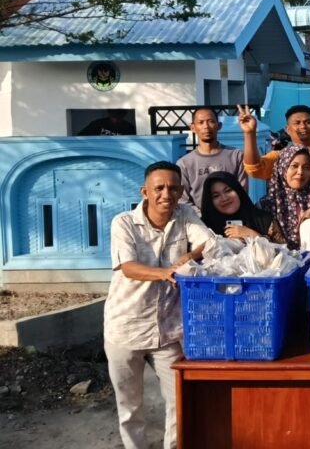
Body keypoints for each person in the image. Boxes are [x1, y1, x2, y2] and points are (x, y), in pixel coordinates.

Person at [105, 161, 211, 449]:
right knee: (130, 406)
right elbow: (127, 267)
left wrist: (183, 261)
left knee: (178, 401)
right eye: (159, 188)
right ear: (145, 191)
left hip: (169, 330)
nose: (167, 194)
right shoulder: (124, 222)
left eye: (174, 188)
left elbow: (209, 244)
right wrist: (165, 273)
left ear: (181, 191)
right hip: (126, 327)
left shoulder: (186, 214)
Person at [239, 104, 310, 192]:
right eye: (297, 123)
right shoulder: (280, 157)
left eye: (308, 122)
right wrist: (249, 133)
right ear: (287, 129)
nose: (303, 126)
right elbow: (254, 168)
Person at [257, 144, 310, 249]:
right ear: (282, 168)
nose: (300, 172)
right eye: (294, 166)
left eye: (306, 167)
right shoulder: (266, 204)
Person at [176, 107, 246, 207]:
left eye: (211, 121)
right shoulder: (184, 164)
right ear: (193, 128)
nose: (206, 126)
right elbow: (183, 200)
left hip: (232, 218)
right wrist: (201, 218)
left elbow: (242, 193)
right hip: (198, 220)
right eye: (201, 122)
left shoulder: (236, 156)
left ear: (219, 126)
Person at [199, 172, 286, 244]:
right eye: (216, 196)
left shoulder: (263, 219)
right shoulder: (203, 227)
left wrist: (254, 236)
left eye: (228, 190)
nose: (224, 198)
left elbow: (284, 253)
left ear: (238, 191)